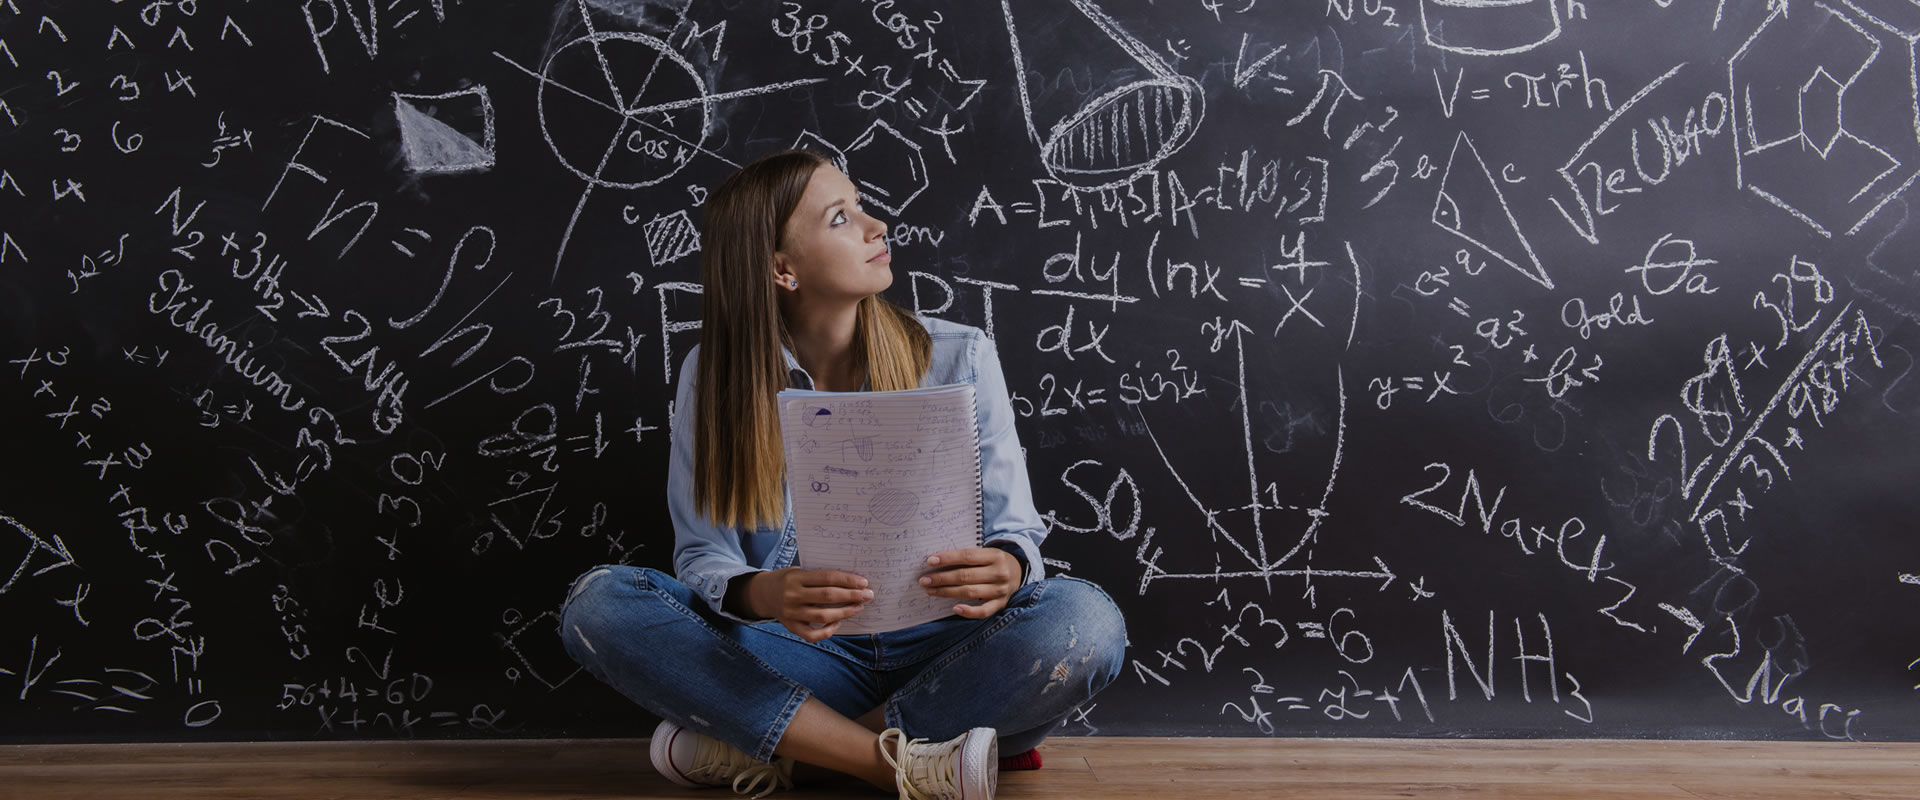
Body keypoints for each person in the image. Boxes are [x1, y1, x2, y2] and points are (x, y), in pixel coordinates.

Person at [558, 149, 1127, 800]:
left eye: (861, 206)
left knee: (1086, 620)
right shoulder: (710, 379)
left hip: (952, 647)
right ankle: (907, 762)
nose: (876, 225)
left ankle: (788, 751)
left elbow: (1016, 530)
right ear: (781, 268)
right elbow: (702, 555)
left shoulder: (960, 354)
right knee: (600, 604)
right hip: (804, 655)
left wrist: (1010, 566)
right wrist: (766, 594)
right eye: (840, 217)